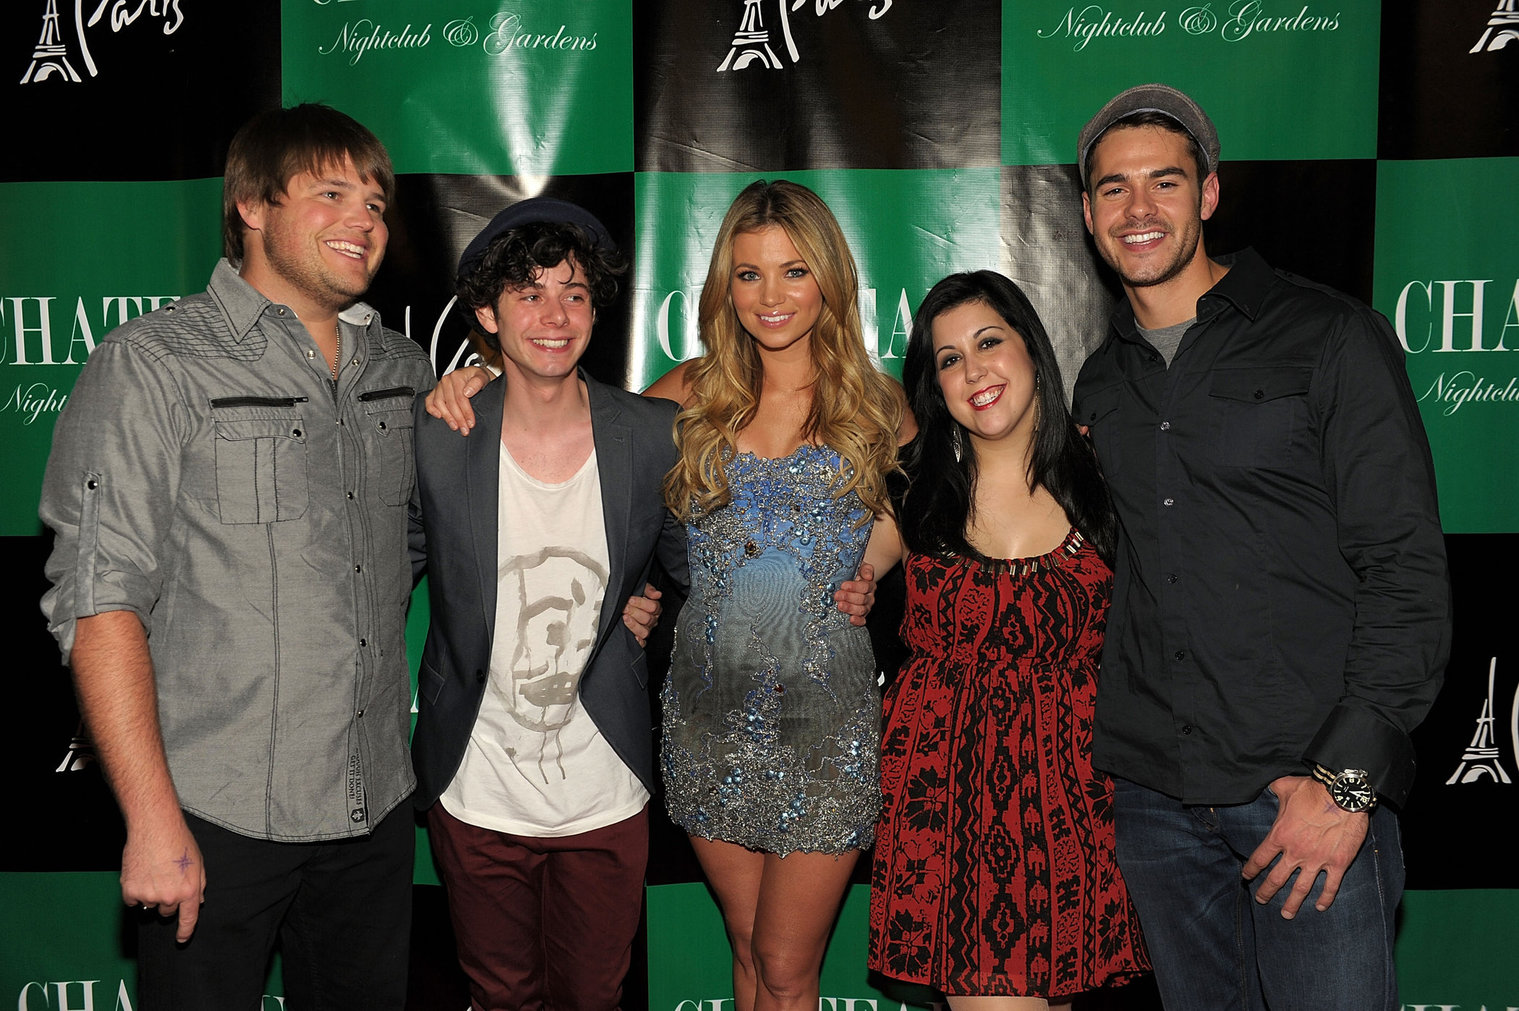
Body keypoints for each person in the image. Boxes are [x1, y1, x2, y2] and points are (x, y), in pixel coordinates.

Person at [38, 104, 430, 1009]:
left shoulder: (404, 370)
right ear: (252, 204)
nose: (363, 221)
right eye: (331, 193)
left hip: (372, 807)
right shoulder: (153, 364)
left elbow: (426, 543)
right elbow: (100, 599)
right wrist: (150, 819)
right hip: (212, 817)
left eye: (375, 202)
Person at [1070, 83, 1450, 1009]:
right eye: (1113, 189)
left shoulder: (1327, 336)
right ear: (1086, 215)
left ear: (1207, 193)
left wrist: (1344, 782)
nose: (1138, 208)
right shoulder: (1099, 381)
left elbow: (1403, 568)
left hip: (1301, 791)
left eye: (1163, 181)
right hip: (1154, 797)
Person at [407, 197, 688, 1010]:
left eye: (572, 292)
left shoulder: (652, 433)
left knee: (595, 994)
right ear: (486, 315)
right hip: (476, 784)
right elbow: (384, 572)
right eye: (528, 293)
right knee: (499, 994)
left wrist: (641, 601)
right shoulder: (438, 431)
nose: (554, 315)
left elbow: (693, 570)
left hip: (604, 786)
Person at [647, 178, 911, 1011]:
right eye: (749, 273)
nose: (770, 296)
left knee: (788, 966)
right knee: (749, 950)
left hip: (824, 726)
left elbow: (911, 514)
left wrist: (868, 566)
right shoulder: (682, 395)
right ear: (725, 284)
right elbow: (580, 471)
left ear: (828, 277)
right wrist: (473, 386)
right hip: (705, 714)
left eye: (793, 271)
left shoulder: (876, 403)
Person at [862, 271, 1149, 1009]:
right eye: (948, 358)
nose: (973, 370)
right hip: (950, 800)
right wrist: (646, 585)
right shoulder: (909, 489)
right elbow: (811, 577)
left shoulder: (1109, 473)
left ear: (1031, 347)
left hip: (1081, 799)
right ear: (933, 384)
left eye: (988, 342)